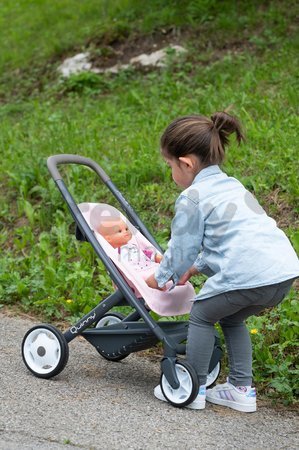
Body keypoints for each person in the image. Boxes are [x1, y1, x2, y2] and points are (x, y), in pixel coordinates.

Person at [146, 111, 299, 412]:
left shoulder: (193, 197)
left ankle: (195, 387)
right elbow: (231, 241)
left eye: (170, 166)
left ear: (186, 163)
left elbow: (182, 248)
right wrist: (196, 267)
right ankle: (241, 389)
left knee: (202, 314)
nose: (170, 173)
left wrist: (161, 276)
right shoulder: (231, 186)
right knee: (232, 317)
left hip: (249, 274)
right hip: (282, 273)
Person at [96, 217, 162, 271]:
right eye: (119, 231)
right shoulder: (115, 253)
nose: (125, 232)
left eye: (126, 229)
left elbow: (143, 254)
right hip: (139, 276)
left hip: (152, 267)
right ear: (108, 238)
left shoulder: (132, 246)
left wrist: (156, 257)